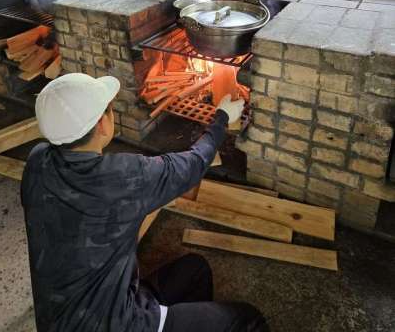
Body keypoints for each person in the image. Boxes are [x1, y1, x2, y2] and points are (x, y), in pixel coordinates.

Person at [21, 73, 269, 332]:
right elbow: (194, 163)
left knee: (196, 270)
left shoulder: (37, 162)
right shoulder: (124, 177)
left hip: (61, 320)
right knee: (248, 319)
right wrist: (222, 117)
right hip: (120, 324)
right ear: (102, 124)